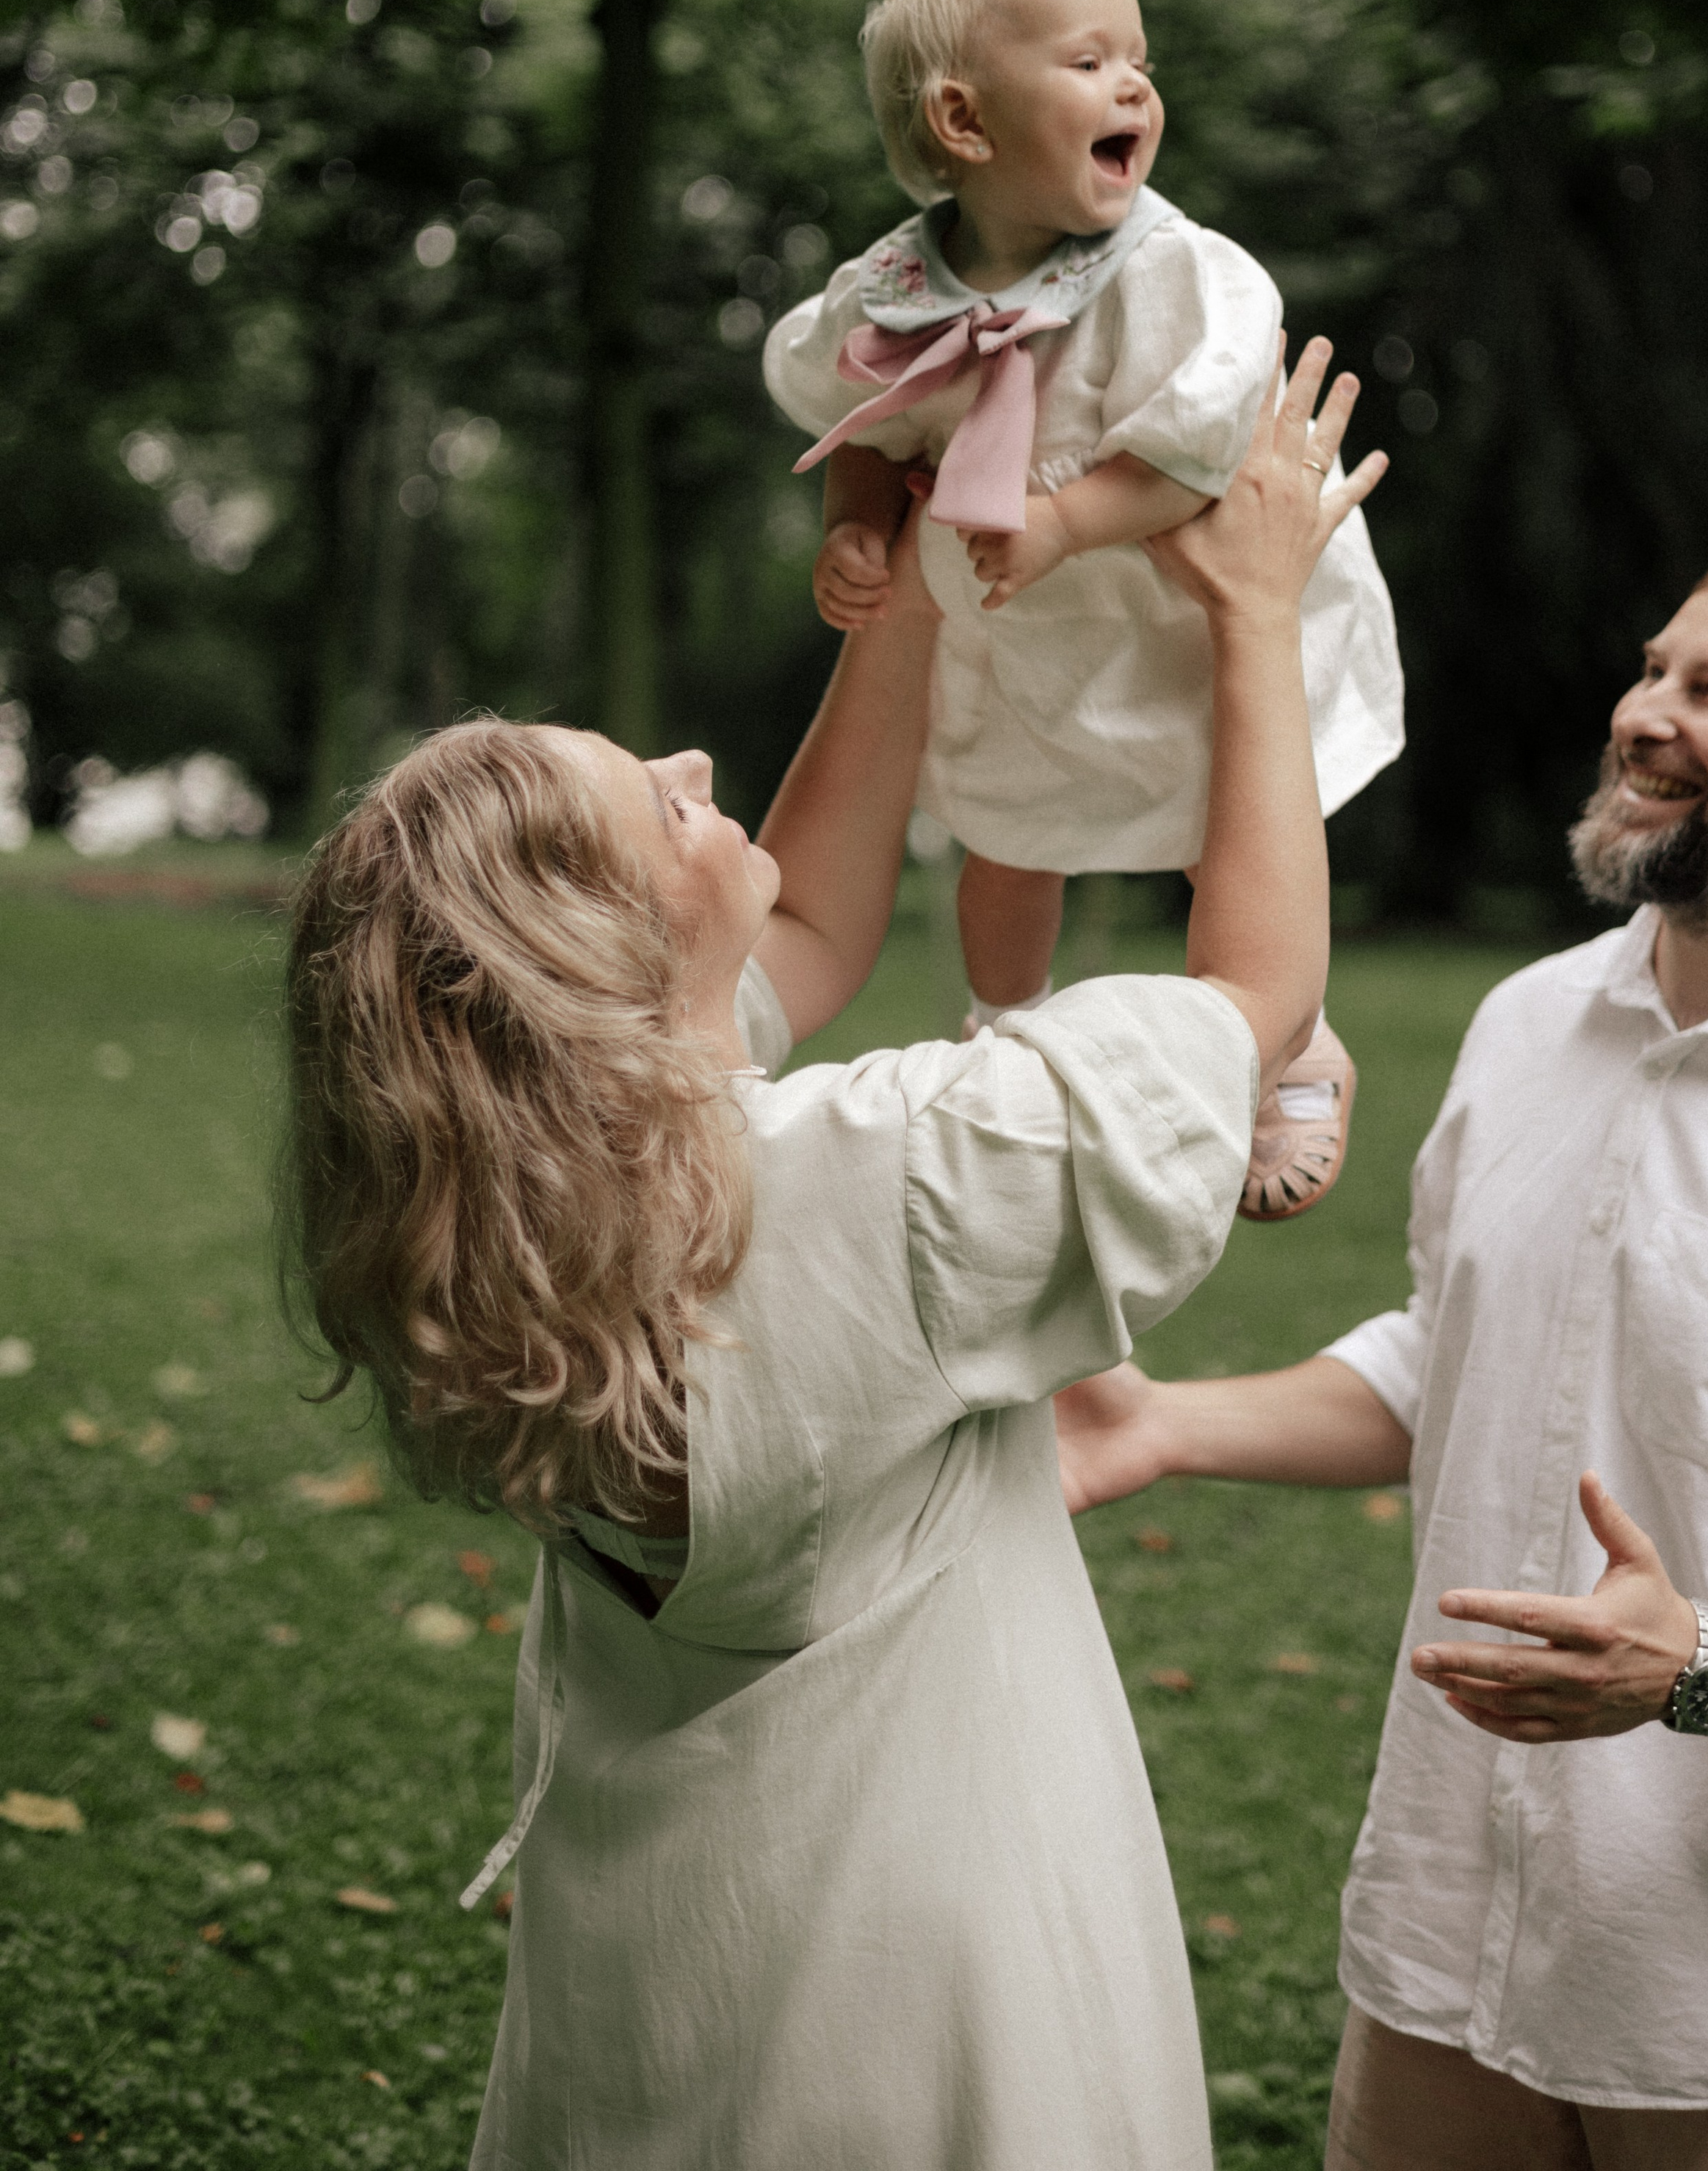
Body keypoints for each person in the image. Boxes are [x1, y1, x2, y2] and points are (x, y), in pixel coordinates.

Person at [282, 344, 1386, 2171]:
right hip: (930, 1988)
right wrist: (1254, 614)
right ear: (599, 952)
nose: (693, 760)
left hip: (676, 1963)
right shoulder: (881, 1186)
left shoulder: (548, 1209)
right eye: (653, 798)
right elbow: (1252, 998)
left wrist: (929, 566)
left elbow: (805, 903)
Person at [1054, 541, 1708, 2170]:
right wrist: (1155, 1424)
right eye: (1649, 670)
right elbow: (1464, 1355)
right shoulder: (1526, 1026)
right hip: (1443, 1952)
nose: (1642, 715)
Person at [763, 0, 1403, 1215]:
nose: (1135, 87)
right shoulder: (892, 289)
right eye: (1090, 61)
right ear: (964, 120)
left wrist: (1063, 521)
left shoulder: (1175, 276)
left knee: (1233, 807)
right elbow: (870, 420)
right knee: (1008, 832)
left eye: (1141, 61)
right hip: (1028, 628)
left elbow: (1201, 443)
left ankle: (1290, 1030)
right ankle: (1005, 1019)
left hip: (1177, 598)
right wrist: (853, 521)